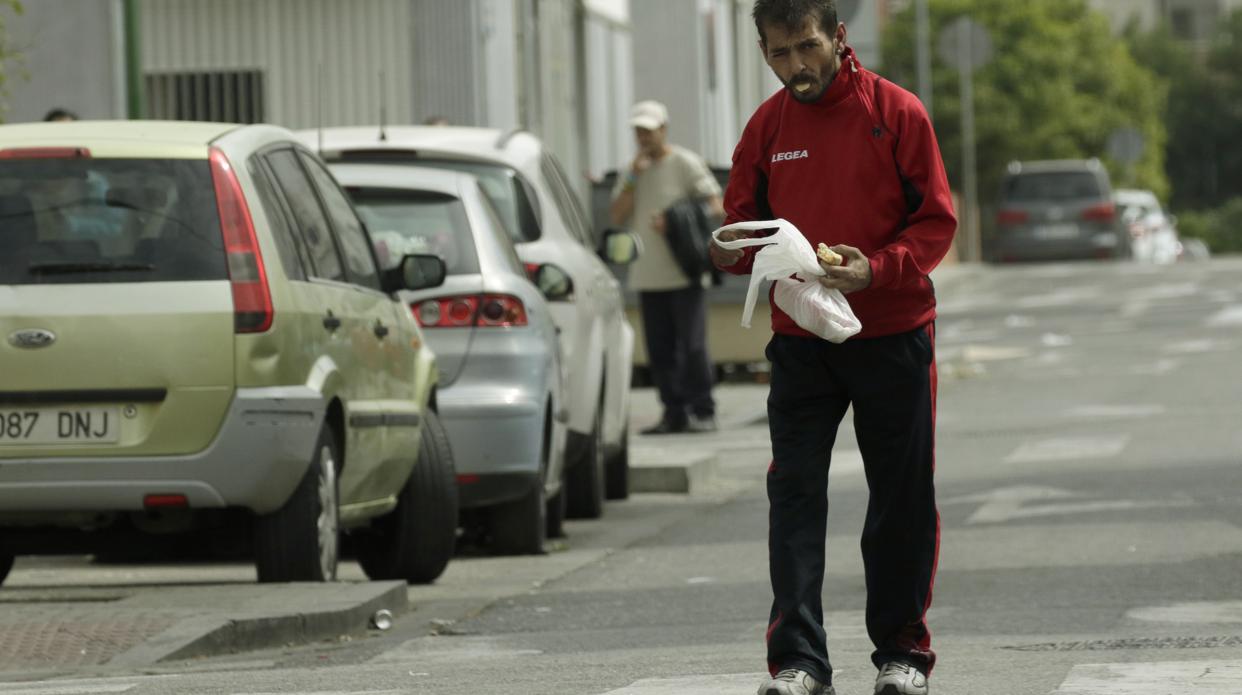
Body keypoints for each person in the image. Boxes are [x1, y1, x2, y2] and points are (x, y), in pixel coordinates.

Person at [711, 2, 956, 694]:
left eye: (807, 47)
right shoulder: (766, 127)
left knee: (900, 498)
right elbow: (740, 226)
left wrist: (873, 269)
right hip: (800, 341)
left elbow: (936, 222)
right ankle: (799, 662)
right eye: (780, 53)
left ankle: (903, 654)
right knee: (793, 494)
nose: (797, 67)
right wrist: (726, 248)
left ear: (837, 37)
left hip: (893, 333)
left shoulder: (897, 112)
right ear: (763, 51)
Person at [610, 100, 725, 434]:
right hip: (648, 273)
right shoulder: (632, 171)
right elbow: (617, 216)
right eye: (638, 131)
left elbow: (715, 205)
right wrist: (633, 177)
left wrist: (675, 220)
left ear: (664, 129)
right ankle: (673, 412)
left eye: (649, 130)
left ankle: (703, 409)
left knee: (692, 346)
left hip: (684, 270)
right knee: (660, 351)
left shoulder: (685, 162)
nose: (644, 137)